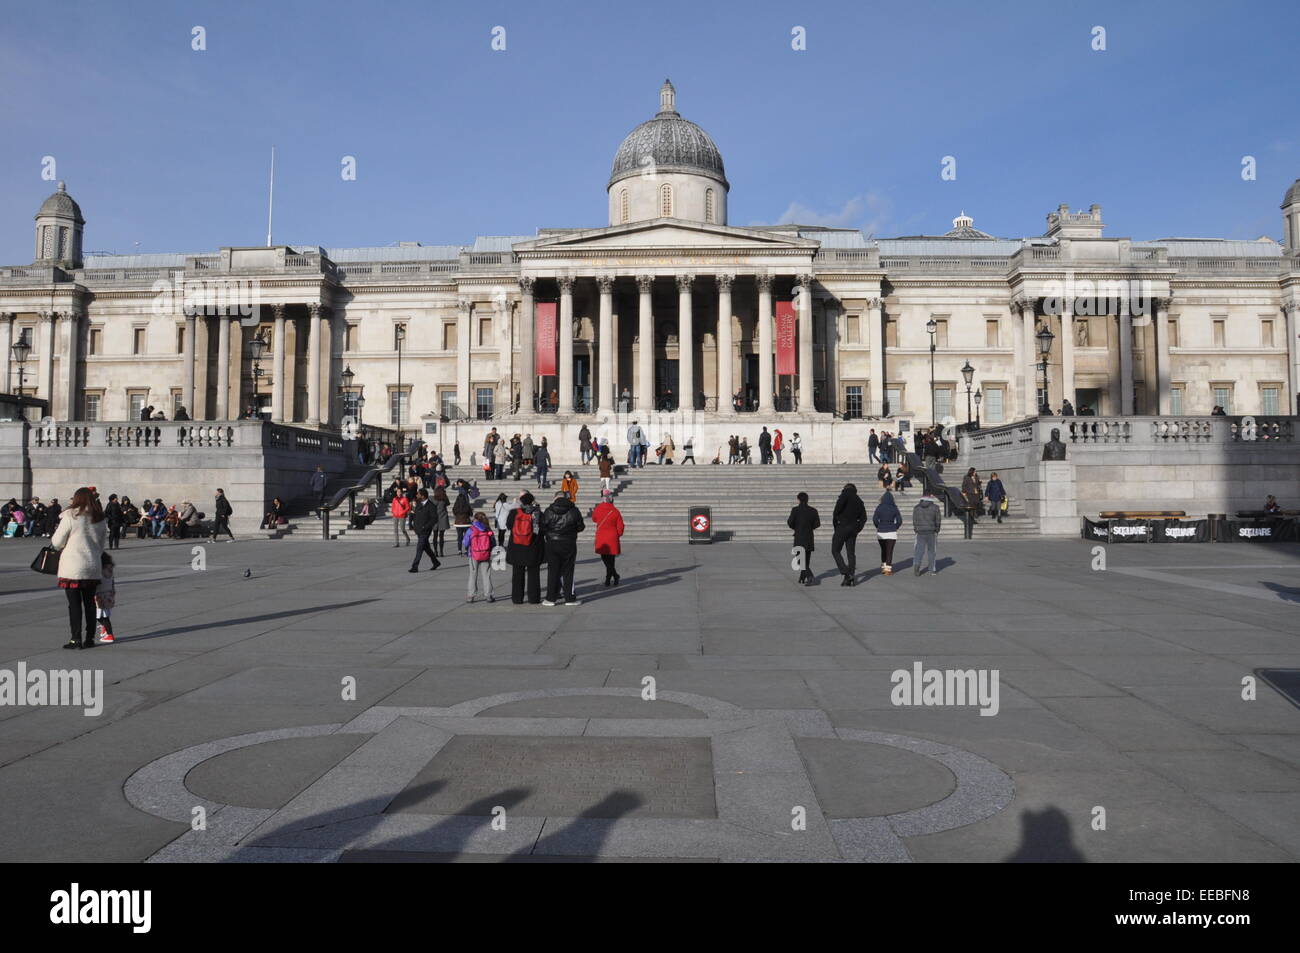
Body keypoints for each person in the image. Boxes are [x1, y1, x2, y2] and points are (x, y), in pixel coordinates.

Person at [50, 487, 107, 650]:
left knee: (74, 604)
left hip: (73, 566)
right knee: (89, 603)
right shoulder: (100, 517)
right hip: (92, 565)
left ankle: (76, 638)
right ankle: (90, 638)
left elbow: (57, 542)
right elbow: (102, 545)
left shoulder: (70, 515)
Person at [541, 491, 585, 606]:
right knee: (568, 571)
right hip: (568, 543)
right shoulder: (574, 510)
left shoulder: (549, 511)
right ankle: (569, 598)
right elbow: (581, 527)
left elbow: (543, 526)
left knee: (553, 571)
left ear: (555, 498)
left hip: (552, 542)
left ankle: (550, 598)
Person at [506, 491, 544, 605]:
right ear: (532, 501)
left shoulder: (514, 512)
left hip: (517, 547)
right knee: (534, 575)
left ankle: (517, 598)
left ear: (521, 501)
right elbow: (542, 529)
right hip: (532, 547)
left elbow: (508, 526)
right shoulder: (537, 513)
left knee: (517, 575)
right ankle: (534, 598)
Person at [830, 483, 867, 586]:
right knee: (850, 552)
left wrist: (836, 525)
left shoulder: (844, 496)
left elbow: (836, 512)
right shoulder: (859, 500)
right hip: (853, 528)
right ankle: (850, 575)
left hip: (842, 527)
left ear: (845, 489)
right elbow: (864, 517)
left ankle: (846, 572)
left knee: (835, 550)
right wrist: (858, 528)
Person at [591, 489, 625, 586]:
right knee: (611, 559)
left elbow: (594, 519)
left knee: (604, 558)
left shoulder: (598, 508)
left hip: (602, 536)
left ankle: (610, 578)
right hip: (612, 537)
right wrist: (617, 534)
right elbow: (621, 526)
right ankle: (612, 576)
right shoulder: (615, 511)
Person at [787, 492, 820, 585]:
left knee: (800, 560)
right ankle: (802, 578)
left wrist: (797, 528)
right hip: (809, 537)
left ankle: (810, 576)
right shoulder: (813, 510)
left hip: (799, 537)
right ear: (807, 499)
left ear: (798, 499)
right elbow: (818, 524)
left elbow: (790, 522)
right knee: (806, 560)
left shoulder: (795, 510)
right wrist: (809, 528)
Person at [463, 511, 495, 603]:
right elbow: (493, 542)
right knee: (486, 574)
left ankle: (470, 596)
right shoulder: (488, 529)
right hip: (485, 554)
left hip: (474, 554)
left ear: (476, 519)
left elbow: (465, 542)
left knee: (473, 575)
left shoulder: (471, 529)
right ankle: (488, 595)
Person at [872, 479, 902, 576]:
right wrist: (895, 527)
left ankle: (883, 565)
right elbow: (900, 520)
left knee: (883, 550)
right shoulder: (894, 508)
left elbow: (875, 519)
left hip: (881, 531)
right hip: (891, 532)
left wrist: (878, 526)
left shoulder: (879, 507)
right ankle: (888, 569)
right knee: (889, 551)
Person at [408, 489, 440, 572]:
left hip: (425, 531)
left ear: (423, 496)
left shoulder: (431, 506)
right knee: (426, 547)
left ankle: (415, 566)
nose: (417, 495)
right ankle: (435, 562)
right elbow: (415, 515)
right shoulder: (418, 504)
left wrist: (425, 527)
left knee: (419, 548)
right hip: (418, 530)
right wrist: (413, 525)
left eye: (418, 494)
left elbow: (434, 518)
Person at [912, 490, 943, 576]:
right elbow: (938, 520)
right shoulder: (935, 507)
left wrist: (916, 529)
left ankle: (916, 567)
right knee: (932, 551)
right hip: (931, 531)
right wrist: (937, 530)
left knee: (918, 551)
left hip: (920, 532)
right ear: (930, 496)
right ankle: (931, 569)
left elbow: (914, 520)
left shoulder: (916, 507)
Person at [94, 552, 117, 643]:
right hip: (108, 595)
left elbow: (97, 583)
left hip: (100, 595)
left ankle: (109, 634)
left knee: (101, 616)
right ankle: (105, 629)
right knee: (105, 615)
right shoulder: (110, 569)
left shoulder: (99, 571)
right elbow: (112, 582)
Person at [452, 484, 473, 554]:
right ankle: (466, 549)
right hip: (466, 523)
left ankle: (459, 550)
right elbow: (471, 513)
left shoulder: (456, 505)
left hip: (458, 523)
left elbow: (454, 511)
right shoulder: (467, 505)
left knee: (459, 537)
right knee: (466, 536)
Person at [431, 486, 451, 556]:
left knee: (435, 536)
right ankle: (441, 551)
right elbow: (448, 504)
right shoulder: (444, 499)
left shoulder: (433, 499)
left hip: (435, 518)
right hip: (442, 518)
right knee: (441, 536)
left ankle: (435, 551)